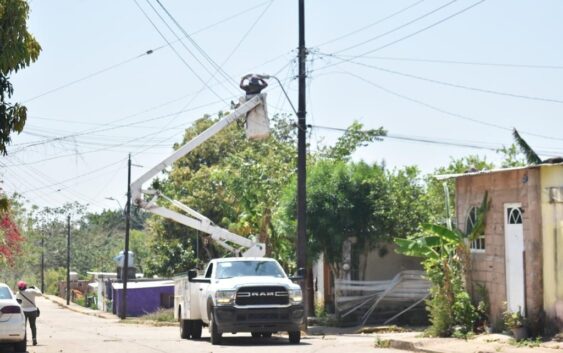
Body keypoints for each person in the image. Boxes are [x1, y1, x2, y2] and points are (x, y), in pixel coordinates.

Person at [15, 280, 42, 346]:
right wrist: (35, 287)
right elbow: (40, 294)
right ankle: (34, 339)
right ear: (25, 286)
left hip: (24, 311)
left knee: (24, 326)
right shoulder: (31, 291)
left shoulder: (18, 293)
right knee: (33, 326)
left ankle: (24, 339)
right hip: (33, 311)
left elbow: (17, 301)